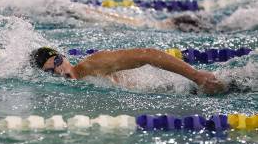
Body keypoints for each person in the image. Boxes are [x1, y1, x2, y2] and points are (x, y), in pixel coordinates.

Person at [30, 47, 226, 95]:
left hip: (184, 87)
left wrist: (197, 76)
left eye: (57, 61)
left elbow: (148, 54)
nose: (59, 69)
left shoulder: (92, 65)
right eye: (50, 71)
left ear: (63, 56)